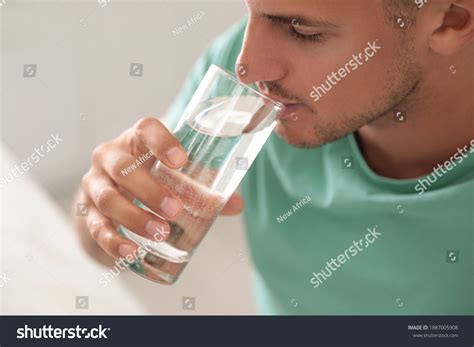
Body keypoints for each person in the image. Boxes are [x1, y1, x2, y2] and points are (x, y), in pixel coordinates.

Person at [73, 0, 474, 314]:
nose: (247, 67)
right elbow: (122, 240)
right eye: (252, 12)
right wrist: (105, 204)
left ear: (451, 20)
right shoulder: (243, 87)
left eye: (303, 30)